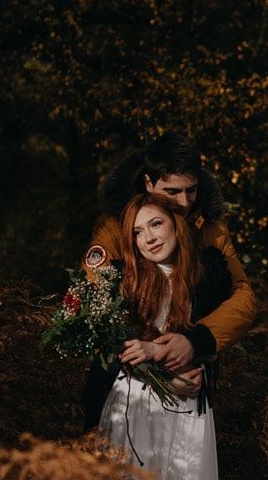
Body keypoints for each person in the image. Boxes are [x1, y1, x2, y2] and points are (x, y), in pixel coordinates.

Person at [95, 192, 232, 480]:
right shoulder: (127, 280)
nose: (149, 238)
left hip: (189, 410)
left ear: (177, 224)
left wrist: (201, 366)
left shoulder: (208, 277)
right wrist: (158, 361)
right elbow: (121, 350)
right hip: (137, 407)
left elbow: (215, 338)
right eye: (138, 233)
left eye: (156, 224)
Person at [80, 133, 256, 430]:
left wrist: (196, 341)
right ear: (149, 183)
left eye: (192, 190)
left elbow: (243, 296)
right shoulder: (114, 228)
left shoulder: (211, 230)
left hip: (191, 383)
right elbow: (96, 306)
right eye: (173, 191)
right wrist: (161, 371)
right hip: (123, 386)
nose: (184, 202)